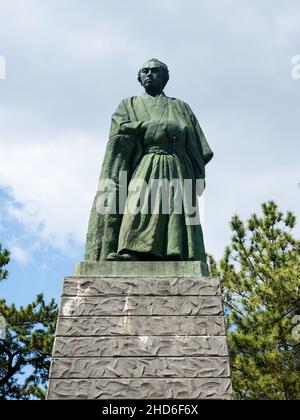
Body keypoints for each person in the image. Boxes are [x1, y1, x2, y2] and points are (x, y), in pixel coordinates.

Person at [85, 59, 213, 263]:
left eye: (155, 71)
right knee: (138, 204)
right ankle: (132, 250)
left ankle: (175, 252)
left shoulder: (180, 107)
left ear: (165, 78)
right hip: (146, 162)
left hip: (177, 165)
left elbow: (198, 147)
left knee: (175, 208)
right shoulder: (129, 104)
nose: (149, 74)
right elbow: (120, 129)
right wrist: (149, 126)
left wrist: (197, 175)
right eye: (145, 71)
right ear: (139, 77)